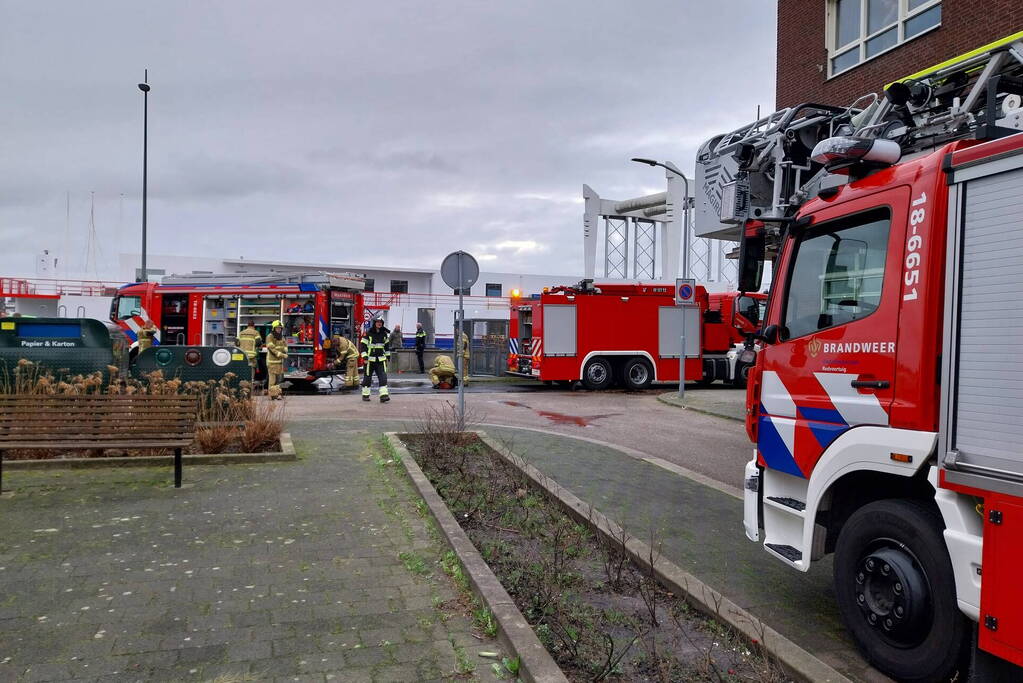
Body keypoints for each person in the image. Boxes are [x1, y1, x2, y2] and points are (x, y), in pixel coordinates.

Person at [360, 318, 391, 402]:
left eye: (381, 322)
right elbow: (363, 346)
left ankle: (383, 395)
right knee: (367, 378)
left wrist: (388, 356)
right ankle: (365, 395)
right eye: (377, 322)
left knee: (383, 377)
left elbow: (387, 347)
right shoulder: (368, 333)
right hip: (369, 360)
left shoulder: (384, 334)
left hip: (381, 359)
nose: (379, 324)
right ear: (374, 323)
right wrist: (365, 356)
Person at [265, 320, 289, 398]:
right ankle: (272, 395)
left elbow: (285, 345)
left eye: (280, 328)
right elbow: (272, 349)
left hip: (279, 362)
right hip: (272, 362)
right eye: (277, 328)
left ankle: (277, 394)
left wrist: (285, 350)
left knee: (279, 380)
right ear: (273, 328)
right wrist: (281, 354)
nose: (279, 329)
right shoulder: (270, 337)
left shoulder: (281, 337)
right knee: (272, 380)